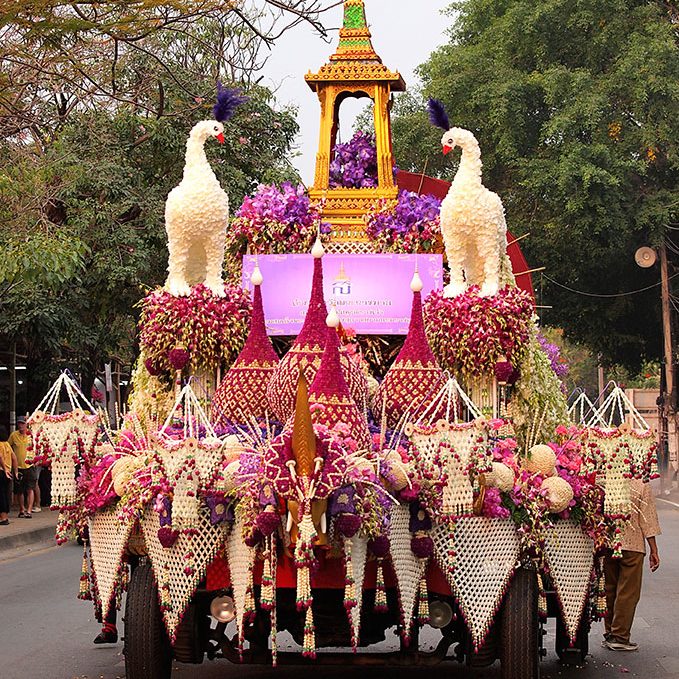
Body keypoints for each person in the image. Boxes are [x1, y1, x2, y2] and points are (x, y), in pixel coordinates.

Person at [603, 478, 661, 651]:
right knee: (628, 592)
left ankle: (610, 634)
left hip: (608, 544)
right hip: (633, 546)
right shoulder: (641, 486)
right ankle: (619, 637)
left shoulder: (605, 483)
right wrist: (654, 550)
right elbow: (648, 521)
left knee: (610, 589)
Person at [9, 416, 36, 518]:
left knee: (30, 489)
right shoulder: (14, 435)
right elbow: (8, 447)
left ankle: (29, 510)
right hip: (18, 467)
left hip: (30, 465)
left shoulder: (31, 435)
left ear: (26, 424)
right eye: (19, 424)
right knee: (19, 490)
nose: (20, 425)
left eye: (22, 423)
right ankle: (22, 509)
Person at [0, 426, 18, 525]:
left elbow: (0, 457)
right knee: (5, 494)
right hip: (8, 473)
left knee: (1, 495)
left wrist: (5, 469)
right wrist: (15, 471)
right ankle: (5, 516)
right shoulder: (7, 444)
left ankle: (3, 517)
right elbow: (14, 458)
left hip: (2, 471)